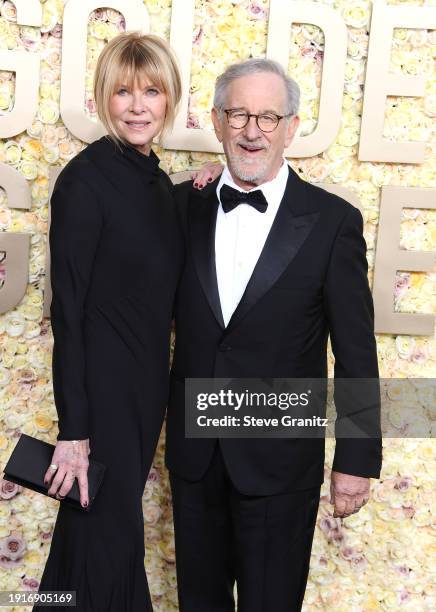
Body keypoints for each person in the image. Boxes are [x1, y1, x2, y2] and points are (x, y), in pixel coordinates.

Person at [166, 58, 383, 611]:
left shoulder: (333, 222)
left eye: (268, 117)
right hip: (195, 457)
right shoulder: (180, 204)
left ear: (291, 126)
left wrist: (356, 458)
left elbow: (356, 350)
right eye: (238, 114)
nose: (252, 131)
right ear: (216, 121)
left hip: (282, 460)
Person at [34, 31, 218, 611]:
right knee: (107, 538)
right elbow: (69, 310)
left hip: (145, 390)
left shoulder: (153, 180)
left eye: (152, 92)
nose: (138, 106)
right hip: (105, 394)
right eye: (122, 92)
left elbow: (150, 227)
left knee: (93, 536)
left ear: (171, 100)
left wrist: (198, 182)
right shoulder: (84, 180)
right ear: (102, 99)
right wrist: (74, 432)